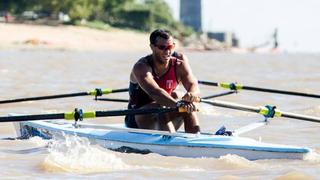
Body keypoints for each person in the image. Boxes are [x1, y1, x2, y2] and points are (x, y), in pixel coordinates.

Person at [125, 29, 200, 133]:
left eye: (170, 47)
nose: (167, 51)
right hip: (137, 118)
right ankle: (170, 140)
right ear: (152, 47)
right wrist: (177, 105)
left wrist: (191, 95)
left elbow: (193, 84)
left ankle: (195, 138)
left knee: (184, 101)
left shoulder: (180, 63)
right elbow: (155, 92)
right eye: (162, 47)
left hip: (165, 114)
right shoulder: (141, 67)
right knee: (162, 105)